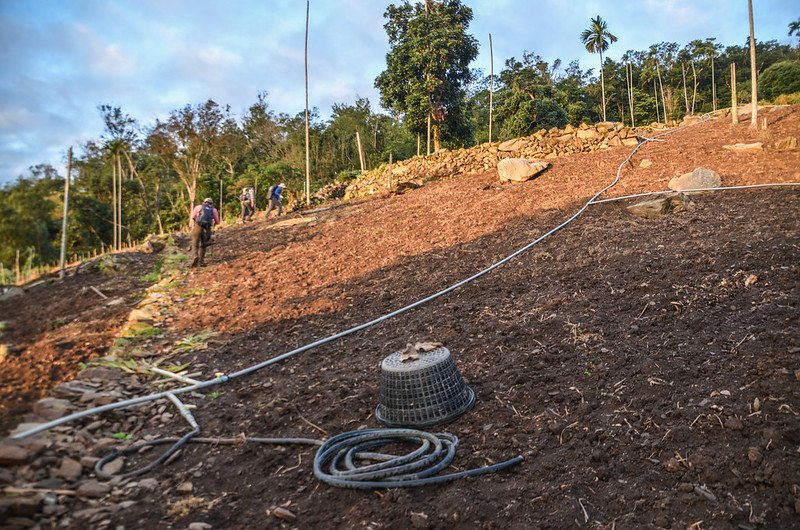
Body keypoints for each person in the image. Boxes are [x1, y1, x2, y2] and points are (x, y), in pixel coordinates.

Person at [190, 198, 220, 267]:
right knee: (203, 245)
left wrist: (197, 221)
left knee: (195, 243)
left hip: (198, 226)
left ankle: (195, 256)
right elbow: (217, 221)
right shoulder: (214, 210)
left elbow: (192, 216)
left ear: (204, 202)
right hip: (207, 229)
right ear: (211, 203)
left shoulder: (199, 207)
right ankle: (201, 262)